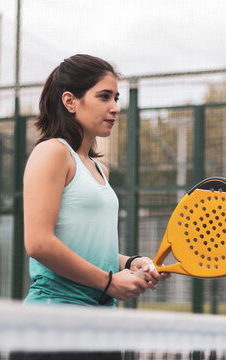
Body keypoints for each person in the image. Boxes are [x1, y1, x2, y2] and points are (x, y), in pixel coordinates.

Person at [12, 54, 169, 360]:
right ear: (70, 101)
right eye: (104, 96)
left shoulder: (99, 169)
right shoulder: (51, 153)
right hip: (53, 327)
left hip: (102, 327)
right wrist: (110, 282)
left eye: (116, 98)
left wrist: (129, 264)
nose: (114, 107)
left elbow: (88, 246)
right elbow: (39, 243)